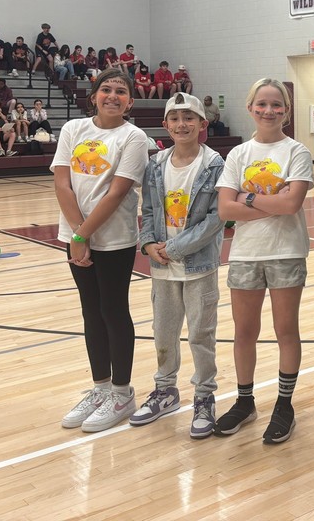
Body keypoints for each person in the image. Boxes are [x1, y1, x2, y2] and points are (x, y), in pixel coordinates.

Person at [213, 78, 314, 444]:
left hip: (286, 251)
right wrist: (265, 202)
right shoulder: (238, 154)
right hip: (245, 254)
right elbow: (226, 209)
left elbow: (291, 205)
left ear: (286, 111)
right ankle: (244, 400)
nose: (269, 110)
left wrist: (249, 199)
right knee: (244, 332)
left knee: (286, 331)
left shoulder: (297, 152)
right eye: (262, 104)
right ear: (250, 107)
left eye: (276, 105)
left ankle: (284, 405)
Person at [53, 68, 149, 432]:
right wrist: (78, 234)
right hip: (76, 236)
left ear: (130, 101)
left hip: (114, 240)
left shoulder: (134, 137)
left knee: (113, 309)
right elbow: (62, 183)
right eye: (105, 89)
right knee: (90, 312)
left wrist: (84, 236)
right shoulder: (72, 130)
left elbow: (117, 192)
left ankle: (122, 393)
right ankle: (100, 388)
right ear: (93, 95)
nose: (112, 96)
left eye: (120, 91)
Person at [133, 93, 226, 439]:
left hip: (198, 265)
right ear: (165, 125)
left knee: (201, 335)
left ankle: (204, 396)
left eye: (189, 118)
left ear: (203, 125)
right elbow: (150, 210)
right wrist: (146, 243)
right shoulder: (155, 164)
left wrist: (173, 247)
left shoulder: (215, 164)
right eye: (175, 118)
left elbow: (217, 219)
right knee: (164, 332)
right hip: (162, 266)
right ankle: (165, 391)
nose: (181, 124)